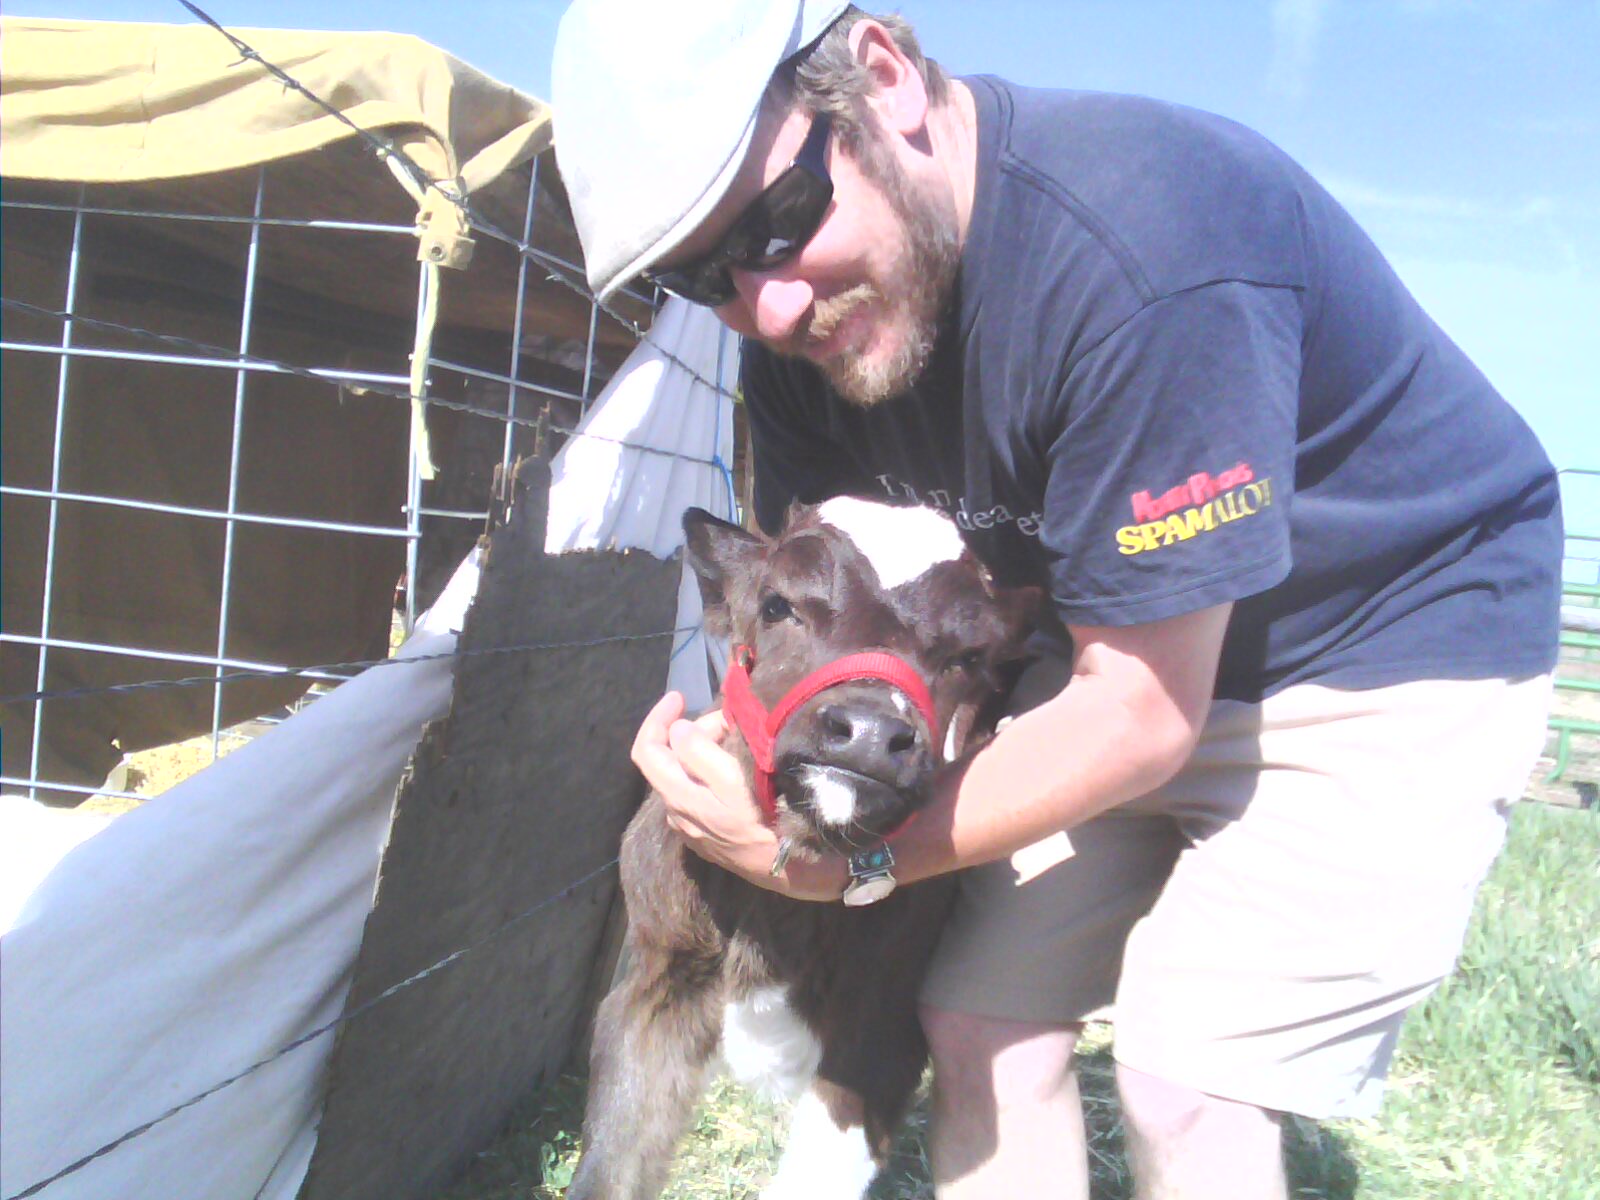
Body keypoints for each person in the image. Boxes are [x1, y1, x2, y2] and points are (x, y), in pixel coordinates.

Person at [551, 3, 1562, 1197]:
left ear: (885, 76)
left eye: (778, 221)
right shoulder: (800, 340)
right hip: (1097, 656)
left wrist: (844, 871)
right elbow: (823, 617)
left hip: (1370, 647)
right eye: (698, 276)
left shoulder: (1149, 249)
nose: (764, 307)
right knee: (979, 1029)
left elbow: (1141, 714)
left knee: (1186, 1083)